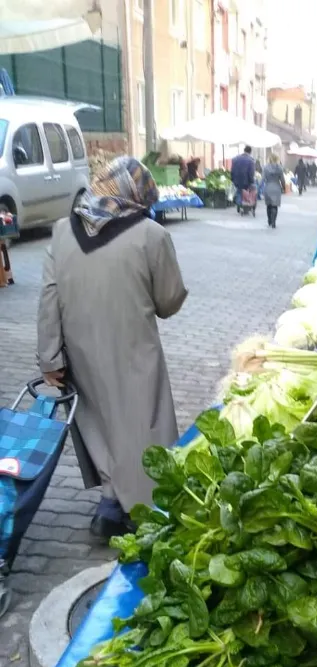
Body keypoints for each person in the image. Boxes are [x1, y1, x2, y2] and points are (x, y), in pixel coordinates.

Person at [37, 156, 188, 540]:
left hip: (81, 355)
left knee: (99, 425)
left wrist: (50, 359)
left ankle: (109, 503)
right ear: (138, 193)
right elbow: (169, 302)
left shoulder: (60, 232)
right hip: (135, 352)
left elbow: (49, 299)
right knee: (143, 426)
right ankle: (147, 509)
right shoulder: (151, 235)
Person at [230, 145, 256, 215]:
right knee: (246, 193)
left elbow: (232, 170)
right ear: (250, 152)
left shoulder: (235, 159)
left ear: (244, 150)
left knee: (239, 192)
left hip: (237, 179)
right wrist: (251, 181)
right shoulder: (251, 160)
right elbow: (251, 172)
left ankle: (239, 204)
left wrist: (232, 179)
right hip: (246, 180)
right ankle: (244, 206)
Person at [262, 153, 285, 228]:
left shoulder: (265, 168)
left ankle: (269, 220)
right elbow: (282, 180)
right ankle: (273, 222)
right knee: (275, 206)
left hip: (268, 187)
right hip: (276, 188)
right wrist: (284, 187)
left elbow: (262, 179)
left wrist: (258, 187)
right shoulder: (280, 168)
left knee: (268, 205)